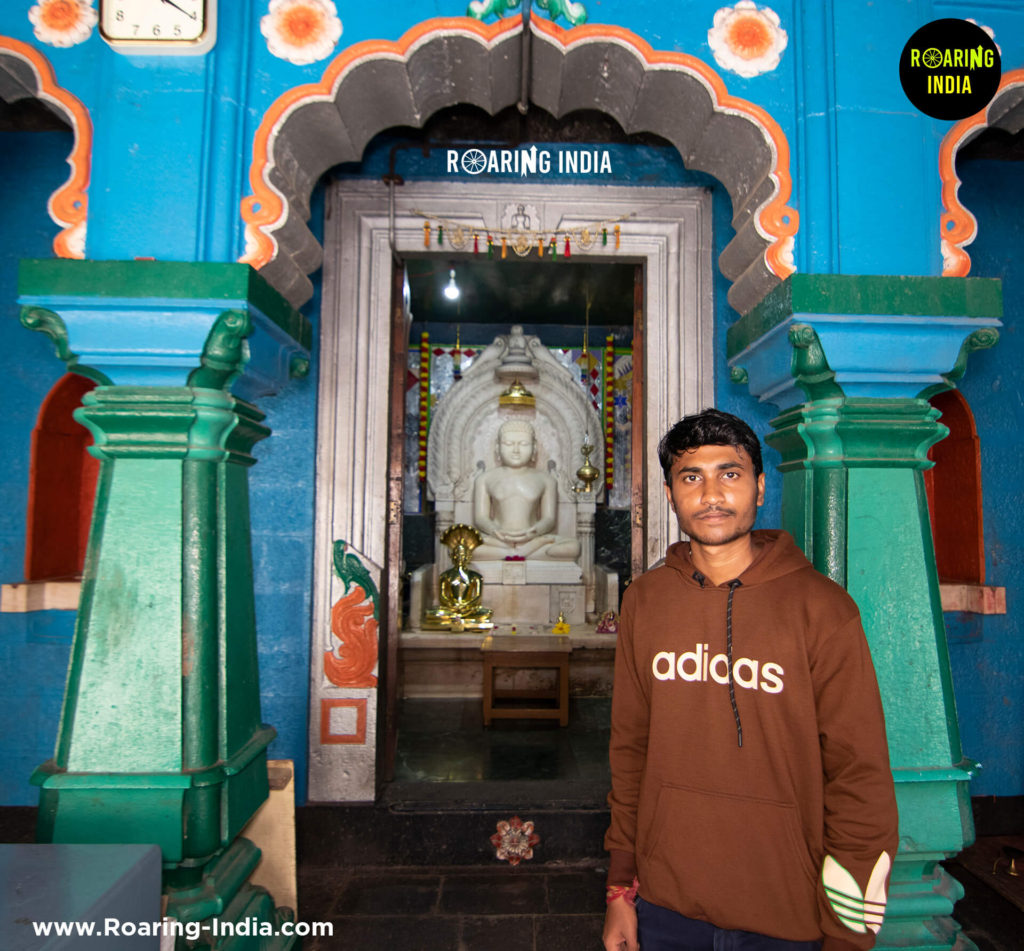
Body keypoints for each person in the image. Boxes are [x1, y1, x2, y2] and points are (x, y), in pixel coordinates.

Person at [603, 408, 898, 951]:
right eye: (691, 477)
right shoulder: (646, 601)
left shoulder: (822, 610)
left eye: (730, 474)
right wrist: (621, 891)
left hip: (788, 912)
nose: (711, 493)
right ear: (670, 494)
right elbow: (630, 749)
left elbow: (860, 780)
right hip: (668, 906)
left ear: (760, 488)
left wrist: (849, 935)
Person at [472, 419, 580, 560]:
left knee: (573, 546)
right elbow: (481, 518)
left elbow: (549, 519)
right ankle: (519, 554)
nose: (516, 450)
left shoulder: (546, 479)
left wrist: (535, 532)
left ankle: (511, 554)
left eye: (523, 444)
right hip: (498, 540)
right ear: (497, 447)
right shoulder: (485, 479)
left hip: (532, 539)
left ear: (534, 448)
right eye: (508, 444)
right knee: (460, 548)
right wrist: (495, 531)